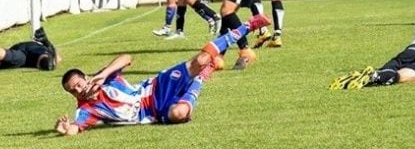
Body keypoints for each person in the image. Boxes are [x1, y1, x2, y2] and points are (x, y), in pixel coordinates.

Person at [55, 14, 271, 135]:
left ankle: (248, 26)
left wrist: (104, 73)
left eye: (78, 83)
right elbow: (75, 127)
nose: (78, 89)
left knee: (201, 59)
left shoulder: (106, 78)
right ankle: (201, 79)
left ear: (85, 78)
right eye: (72, 90)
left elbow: (127, 58)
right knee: (180, 114)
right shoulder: (86, 110)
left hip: (156, 87)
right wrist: (64, 129)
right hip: (154, 114)